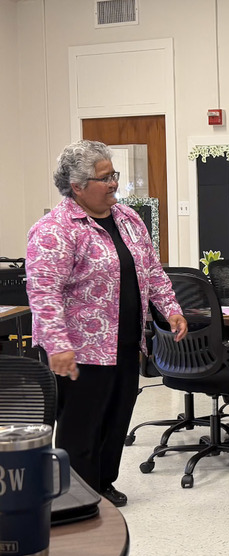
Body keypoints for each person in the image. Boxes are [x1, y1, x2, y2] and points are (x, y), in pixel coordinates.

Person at [26, 140, 186, 507]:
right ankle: (74, 496)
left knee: (116, 419)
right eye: (104, 178)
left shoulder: (127, 219)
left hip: (126, 342)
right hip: (79, 350)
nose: (114, 183)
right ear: (77, 186)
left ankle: (103, 483)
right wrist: (57, 345)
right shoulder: (56, 229)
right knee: (81, 426)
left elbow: (152, 270)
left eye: (113, 175)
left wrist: (170, 307)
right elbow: (43, 292)